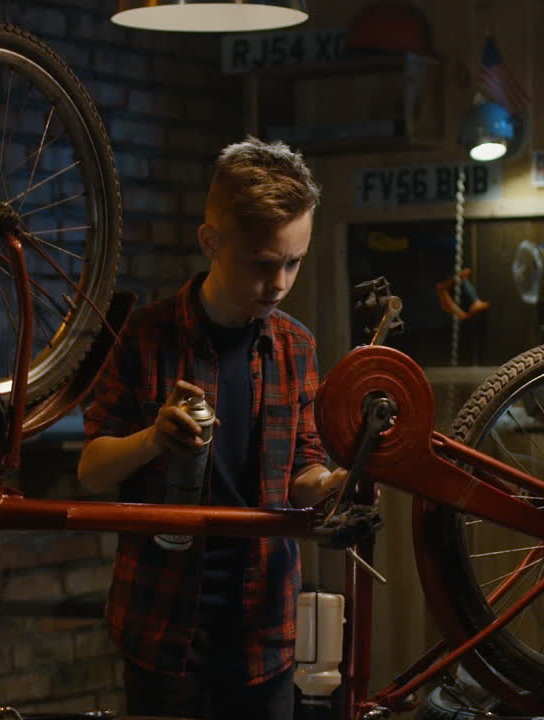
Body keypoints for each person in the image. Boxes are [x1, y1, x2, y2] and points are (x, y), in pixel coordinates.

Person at [77, 136, 347, 720]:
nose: (279, 283)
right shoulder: (144, 335)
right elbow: (92, 470)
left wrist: (332, 484)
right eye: (262, 263)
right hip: (162, 620)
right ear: (211, 242)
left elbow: (303, 472)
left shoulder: (296, 346)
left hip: (263, 626)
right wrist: (152, 439)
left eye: (294, 263)